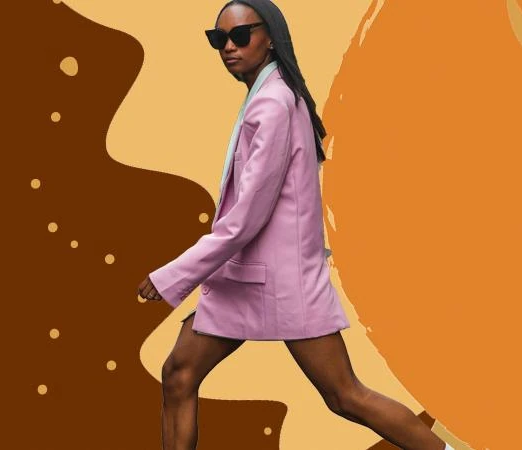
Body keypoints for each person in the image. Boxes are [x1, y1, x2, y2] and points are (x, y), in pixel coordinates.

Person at [138, 1, 455, 449]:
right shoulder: (270, 95)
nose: (228, 47)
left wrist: (172, 275)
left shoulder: (272, 104)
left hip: (283, 283)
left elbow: (245, 218)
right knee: (179, 374)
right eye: (218, 39)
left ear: (270, 38)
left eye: (240, 36)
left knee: (345, 396)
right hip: (246, 279)